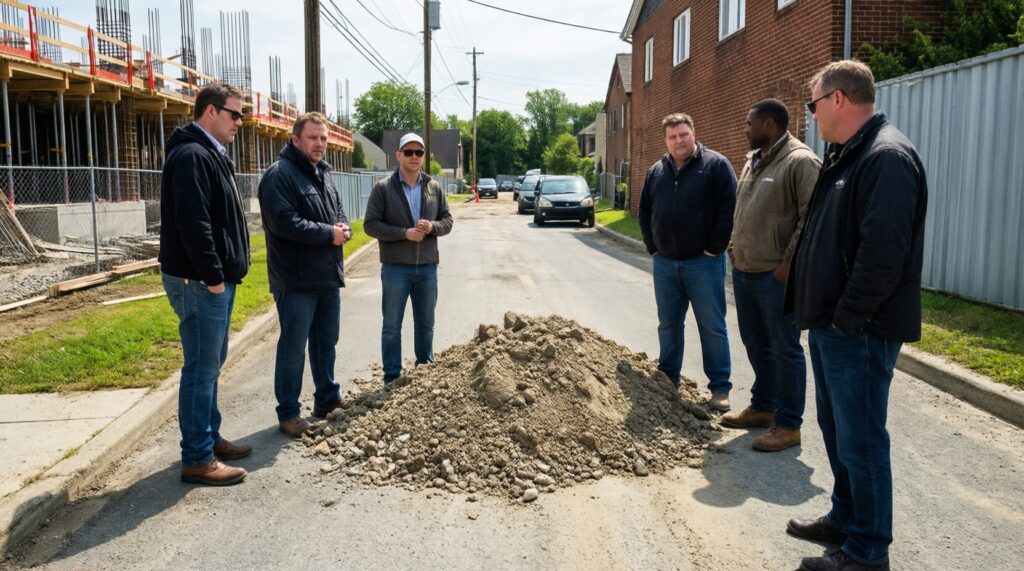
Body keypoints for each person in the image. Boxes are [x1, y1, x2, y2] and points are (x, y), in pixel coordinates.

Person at [785, 60, 928, 571]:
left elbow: (883, 256)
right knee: (839, 431)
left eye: (813, 104)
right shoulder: (847, 153)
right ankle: (846, 518)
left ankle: (867, 552)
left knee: (862, 439)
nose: (812, 114)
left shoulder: (885, 157)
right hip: (834, 326)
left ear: (838, 100)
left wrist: (847, 319)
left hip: (859, 330)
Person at [159, 82, 251, 486]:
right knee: (201, 368)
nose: (240, 122)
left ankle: (209, 438)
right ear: (211, 111)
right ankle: (197, 457)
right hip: (198, 280)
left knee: (211, 364)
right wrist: (213, 277)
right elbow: (193, 224)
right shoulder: (192, 155)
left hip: (211, 280)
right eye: (235, 114)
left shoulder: (210, 154)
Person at [723, 99, 820, 452]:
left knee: (785, 349)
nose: (744, 130)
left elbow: (812, 219)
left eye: (749, 124)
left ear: (769, 124)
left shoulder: (800, 161)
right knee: (756, 343)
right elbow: (742, 210)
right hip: (746, 270)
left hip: (776, 277)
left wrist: (788, 263)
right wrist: (733, 248)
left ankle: (789, 424)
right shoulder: (754, 160)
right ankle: (764, 407)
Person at [258, 112, 351, 439]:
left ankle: (327, 398)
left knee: (326, 342)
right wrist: (329, 233)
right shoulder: (279, 175)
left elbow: (338, 210)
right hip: (295, 280)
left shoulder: (323, 174)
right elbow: (284, 223)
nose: (319, 144)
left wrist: (343, 227)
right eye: (313, 137)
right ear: (295, 139)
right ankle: (288, 412)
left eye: (323, 138)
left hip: (326, 277)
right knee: (293, 347)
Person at [638, 113, 737, 411]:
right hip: (665, 264)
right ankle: (668, 379)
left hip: (704, 263)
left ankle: (720, 387)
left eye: (683, 134)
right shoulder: (656, 171)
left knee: (712, 325)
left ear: (693, 134)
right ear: (666, 140)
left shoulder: (715, 165)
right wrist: (652, 247)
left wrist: (714, 249)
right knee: (668, 324)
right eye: (673, 136)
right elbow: (645, 211)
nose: (679, 140)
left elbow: (729, 209)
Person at [363, 133, 453, 384]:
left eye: (419, 153)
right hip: (395, 268)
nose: (414, 157)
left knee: (426, 324)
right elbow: (370, 225)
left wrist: (432, 227)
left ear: (424, 156)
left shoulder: (434, 187)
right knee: (392, 325)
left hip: (427, 268)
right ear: (398, 155)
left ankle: (424, 370)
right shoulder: (383, 188)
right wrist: (405, 233)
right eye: (409, 152)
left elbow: (447, 221)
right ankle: (392, 376)